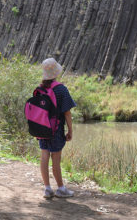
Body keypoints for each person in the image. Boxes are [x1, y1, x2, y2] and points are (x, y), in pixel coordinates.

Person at [38, 57, 76, 199]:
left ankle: (47, 189)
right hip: (56, 130)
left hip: (42, 129)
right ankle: (60, 188)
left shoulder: (40, 89)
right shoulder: (61, 89)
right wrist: (70, 130)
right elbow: (67, 112)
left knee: (44, 156)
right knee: (56, 159)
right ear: (56, 72)